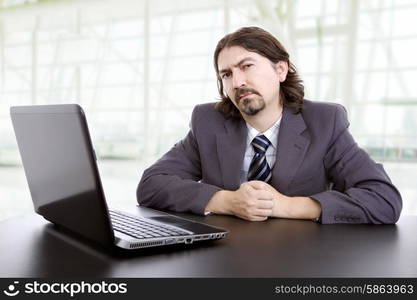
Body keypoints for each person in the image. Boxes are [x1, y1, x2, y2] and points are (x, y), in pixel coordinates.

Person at [137, 26, 402, 224]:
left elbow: (383, 199)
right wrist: (228, 201)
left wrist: (286, 206)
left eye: (247, 66)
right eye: (226, 74)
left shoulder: (325, 122)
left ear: (281, 70)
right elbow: (151, 184)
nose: (237, 82)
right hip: (224, 258)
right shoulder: (209, 122)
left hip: (303, 258)